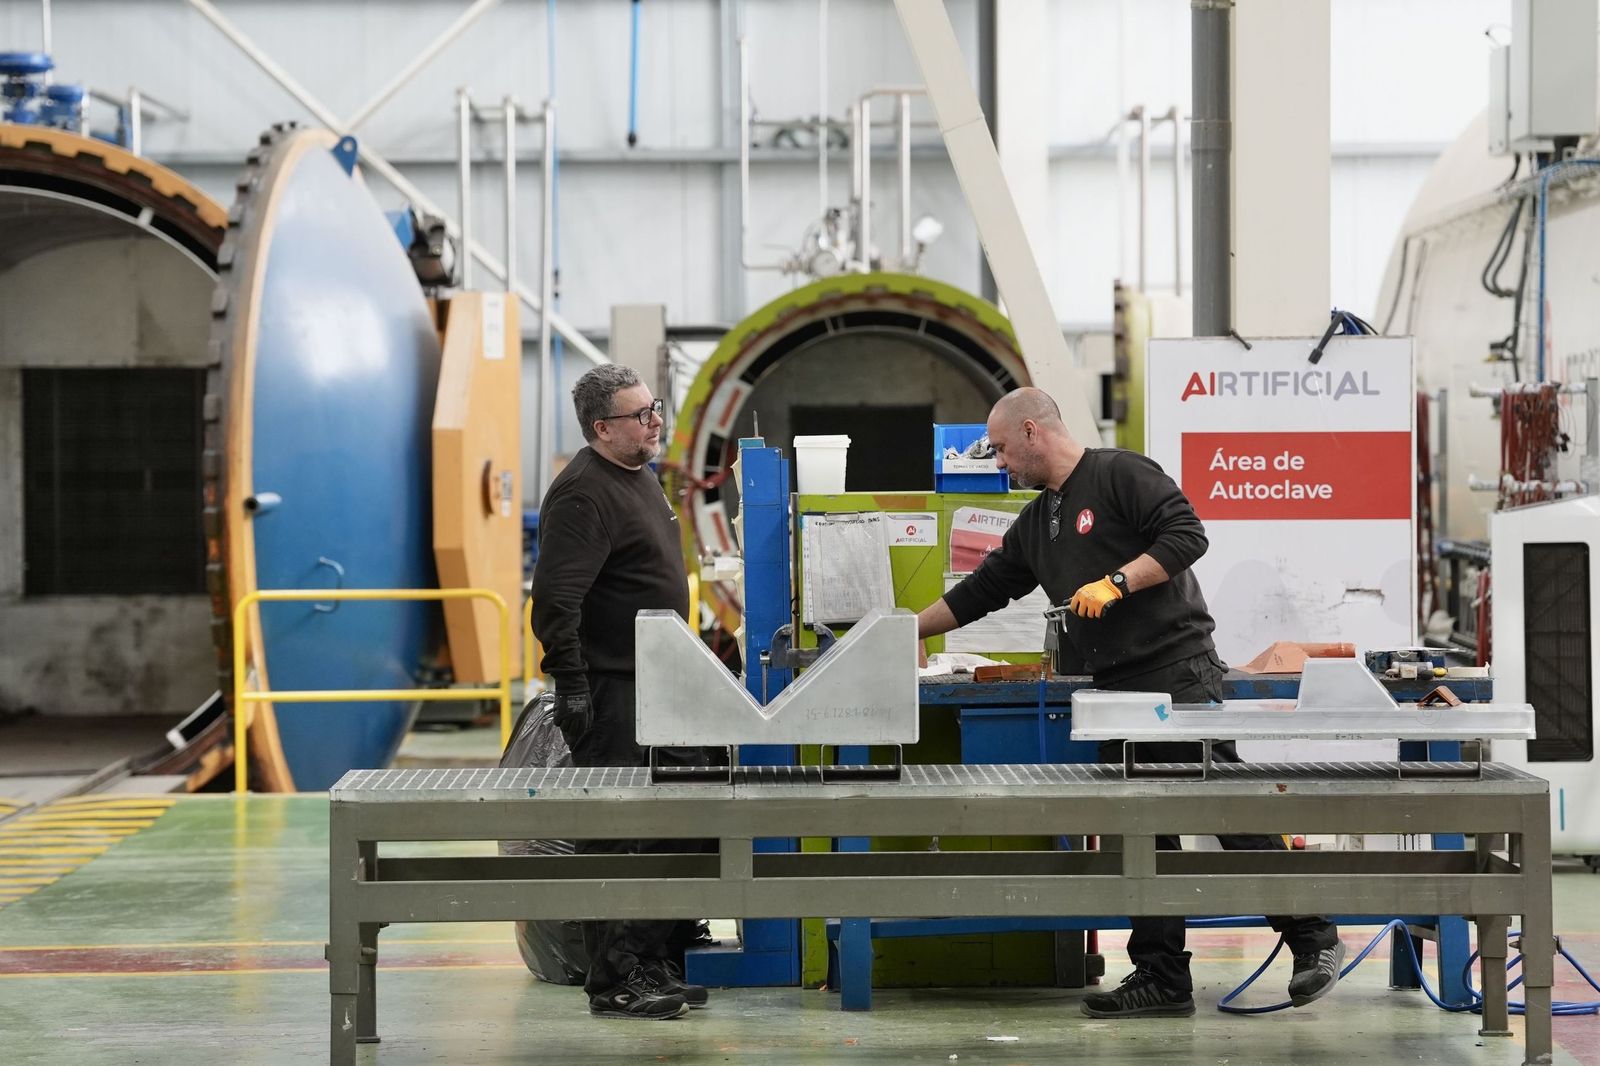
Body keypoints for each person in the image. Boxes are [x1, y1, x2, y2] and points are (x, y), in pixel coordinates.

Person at [915, 387, 1345, 1019]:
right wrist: (904, 631)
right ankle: (1162, 976)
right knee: (1142, 828)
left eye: (1004, 450)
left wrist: (1117, 582)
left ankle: (1313, 936)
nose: (1001, 464)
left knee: (1223, 805)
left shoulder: (1120, 474)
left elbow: (1187, 536)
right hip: (1113, 691)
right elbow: (984, 589)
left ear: (1033, 431)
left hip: (1174, 672)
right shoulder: (1038, 522)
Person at [531, 363, 710, 1021]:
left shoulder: (639, 478)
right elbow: (556, 599)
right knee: (619, 833)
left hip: (662, 685)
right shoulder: (584, 493)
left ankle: (653, 957)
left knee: (682, 821)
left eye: (654, 407)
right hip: (613, 689)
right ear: (603, 428)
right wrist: (572, 686)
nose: (655, 420)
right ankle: (615, 979)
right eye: (641, 415)